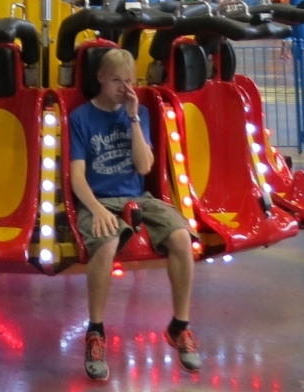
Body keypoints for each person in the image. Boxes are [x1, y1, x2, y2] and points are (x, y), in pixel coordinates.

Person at [67, 47, 201, 382]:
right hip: (98, 199)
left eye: (129, 81)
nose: (124, 88)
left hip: (138, 197)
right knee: (106, 245)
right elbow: (77, 177)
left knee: (181, 238)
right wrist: (96, 208)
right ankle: (96, 332)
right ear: (100, 77)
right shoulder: (81, 118)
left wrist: (134, 119)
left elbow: (144, 166)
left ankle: (180, 326)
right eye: (116, 80)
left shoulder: (138, 112)